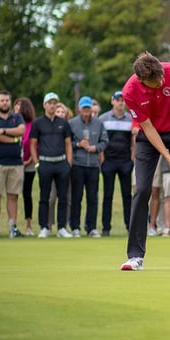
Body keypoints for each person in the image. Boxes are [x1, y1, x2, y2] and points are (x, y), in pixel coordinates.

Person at [120, 52, 170, 271]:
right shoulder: (130, 91)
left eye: (161, 77)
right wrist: (168, 157)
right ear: (142, 80)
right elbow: (147, 128)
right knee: (142, 190)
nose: (161, 82)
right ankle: (135, 256)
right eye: (156, 82)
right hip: (150, 138)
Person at [31, 92, 73, 238]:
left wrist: (68, 163)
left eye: (55, 103)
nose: (52, 105)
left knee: (63, 197)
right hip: (45, 163)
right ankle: (44, 227)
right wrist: (36, 163)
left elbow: (68, 144)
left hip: (61, 163)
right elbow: (33, 144)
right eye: (50, 103)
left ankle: (61, 227)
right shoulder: (38, 123)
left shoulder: (63, 123)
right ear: (44, 105)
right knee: (45, 197)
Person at [0, 90, 26, 238]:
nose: (5, 103)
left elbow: (21, 130)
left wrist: (2, 131)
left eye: (7, 100)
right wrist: (13, 138)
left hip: (15, 162)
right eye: (2, 100)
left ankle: (12, 227)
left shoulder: (17, 117)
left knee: (13, 196)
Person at [69, 96, 108, 237]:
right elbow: (67, 142)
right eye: (84, 108)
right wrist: (78, 145)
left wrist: (95, 148)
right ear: (79, 109)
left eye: (88, 108)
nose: (86, 111)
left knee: (92, 197)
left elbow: (104, 141)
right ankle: (75, 227)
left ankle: (91, 227)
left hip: (93, 165)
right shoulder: (72, 123)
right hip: (77, 164)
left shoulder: (98, 123)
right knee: (76, 197)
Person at [99, 90, 134, 236]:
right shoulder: (103, 119)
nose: (121, 103)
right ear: (112, 101)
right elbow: (100, 140)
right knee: (108, 195)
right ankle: (106, 228)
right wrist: (102, 160)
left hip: (125, 161)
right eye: (118, 100)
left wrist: (132, 158)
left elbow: (133, 141)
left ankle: (129, 226)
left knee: (127, 195)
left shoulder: (130, 119)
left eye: (123, 100)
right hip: (109, 161)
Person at [12, 98, 36, 236]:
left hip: (29, 164)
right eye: (15, 105)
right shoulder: (11, 123)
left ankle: (28, 225)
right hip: (14, 163)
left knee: (27, 193)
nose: (16, 107)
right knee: (13, 194)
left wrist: (29, 160)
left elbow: (35, 144)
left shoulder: (32, 125)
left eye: (19, 105)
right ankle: (13, 225)